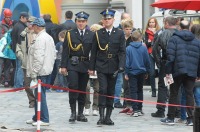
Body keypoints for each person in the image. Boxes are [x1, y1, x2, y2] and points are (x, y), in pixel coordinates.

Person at [89, 9, 125, 125]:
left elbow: (122, 51)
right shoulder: (98, 33)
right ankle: (101, 116)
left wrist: (121, 66)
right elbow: (94, 51)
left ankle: (108, 117)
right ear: (102, 20)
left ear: (113, 20)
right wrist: (91, 67)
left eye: (109, 18)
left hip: (114, 65)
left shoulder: (119, 33)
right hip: (101, 65)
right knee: (102, 89)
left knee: (111, 91)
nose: (107, 20)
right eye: (105, 19)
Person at [160, 20, 200, 126]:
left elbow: (170, 57)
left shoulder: (174, 39)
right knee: (189, 94)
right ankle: (191, 119)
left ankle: (170, 118)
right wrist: (198, 74)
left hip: (177, 70)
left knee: (173, 94)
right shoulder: (196, 41)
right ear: (189, 27)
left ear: (180, 27)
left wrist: (167, 72)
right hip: (191, 71)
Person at [60, 11, 94, 123]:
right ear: (76, 21)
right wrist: (63, 66)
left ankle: (80, 113)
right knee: (73, 87)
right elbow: (65, 51)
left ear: (86, 22)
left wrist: (92, 67)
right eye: (79, 21)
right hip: (73, 64)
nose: (81, 23)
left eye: (83, 21)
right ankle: (73, 113)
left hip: (85, 65)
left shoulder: (91, 34)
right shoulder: (70, 34)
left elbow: (93, 53)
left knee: (83, 89)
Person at [26, 18, 56, 126]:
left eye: (33, 25)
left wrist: (34, 71)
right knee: (38, 94)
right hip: (46, 70)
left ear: (37, 27)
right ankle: (36, 117)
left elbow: (38, 57)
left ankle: (44, 118)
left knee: (40, 95)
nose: (32, 27)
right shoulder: (48, 37)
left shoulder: (40, 39)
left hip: (40, 71)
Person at [152, 16, 177, 118]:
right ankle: (177, 110)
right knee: (176, 87)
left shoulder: (163, 34)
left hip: (166, 62)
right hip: (176, 63)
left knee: (163, 86)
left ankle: (161, 110)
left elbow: (155, 50)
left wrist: (159, 63)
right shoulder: (178, 33)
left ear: (166, 23)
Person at [125, 30, 150, 117]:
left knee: (133, 91)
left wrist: (126, 72)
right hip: (142, 71)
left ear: (131, 38)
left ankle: (135, 109)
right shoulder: (143, 48)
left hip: (132, 72)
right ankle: (140, 108)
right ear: (140, 38)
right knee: (140, 90)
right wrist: (147, 71)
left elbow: (127, 62)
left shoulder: (128, 48)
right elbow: (147, 60)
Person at [16, 16, 36, 108]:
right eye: (28, 22)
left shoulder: (39, 35)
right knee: (27, 85)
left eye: (31, 23)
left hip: (36, 63)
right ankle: (32, 101)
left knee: (37, 83)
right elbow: (18, 47)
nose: (29, 24)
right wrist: (21, 55)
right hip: (25, 62)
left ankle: (38, 100)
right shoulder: (23, 34)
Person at [84, 24, 103, 116]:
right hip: (86, 67)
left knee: (97, 88)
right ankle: (86, 106)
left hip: (97, 67)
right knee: (86, 87)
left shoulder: (101, 43)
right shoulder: (86, 42)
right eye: (93, 31)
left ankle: (95, 107)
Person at [119, 18, 135, 114]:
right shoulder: (121, 38)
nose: (128, 31)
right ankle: (126, 103)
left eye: (130, 29)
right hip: (123, 63)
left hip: (131, 64)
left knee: (130, 85)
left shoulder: (133, 39)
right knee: (124, 85)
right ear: (123, 29)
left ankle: (130, 104)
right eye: (127, 29)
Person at [12, 12, 29, 89]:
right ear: (22, 17)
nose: (27, 20)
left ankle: (16, 85)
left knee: (18, 67)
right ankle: (19, 85)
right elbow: (21, 40)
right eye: (26, 18)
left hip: (16, 49)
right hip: (20, 50)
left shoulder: (16, 25)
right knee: (20, 68)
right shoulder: (21, 27)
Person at [144, 17, 160, 97]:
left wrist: (151, 42)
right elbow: (146, 43)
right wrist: (151, 42)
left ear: (155, 23)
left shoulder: (159, 31)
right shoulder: (146, 32)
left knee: (162, 72)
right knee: (152, 73)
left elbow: (160, 42)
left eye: (153, 22)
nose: (151, 24)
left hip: (158, 54)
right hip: (150, 54)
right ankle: (153, 91)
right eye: (150, 22)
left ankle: (163, 91)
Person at [0, 8, 13, 87]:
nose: (8, 19)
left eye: (9, 17)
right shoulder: (1, 24)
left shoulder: (12, 24)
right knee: (0, 65)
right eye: (7, 17)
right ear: (4, 16)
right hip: (2, 48)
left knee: (8, 65)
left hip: (9, 49)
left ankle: (6, 81)